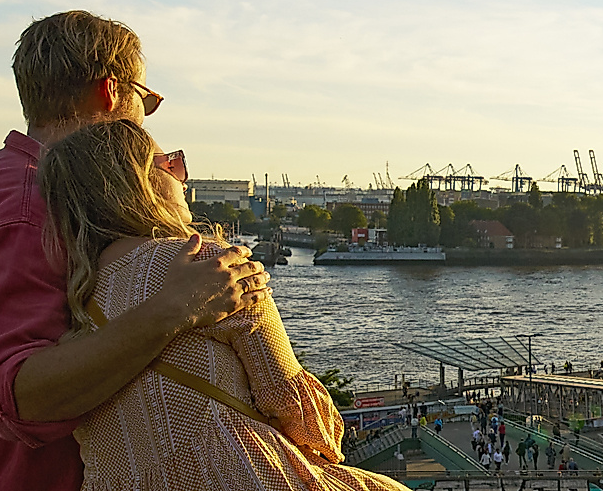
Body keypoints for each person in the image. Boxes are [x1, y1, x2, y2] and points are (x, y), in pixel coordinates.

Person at [0, 11, 265, 491]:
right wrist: (175, 308)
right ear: (111, 92)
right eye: (145, 102)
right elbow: (19, 397)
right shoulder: (34, 206)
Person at [43, 121, 406, 491]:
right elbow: (297, 411)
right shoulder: (213, 268)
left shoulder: (71, 296)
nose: (184, 178)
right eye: (173, 163)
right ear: (139, 182)